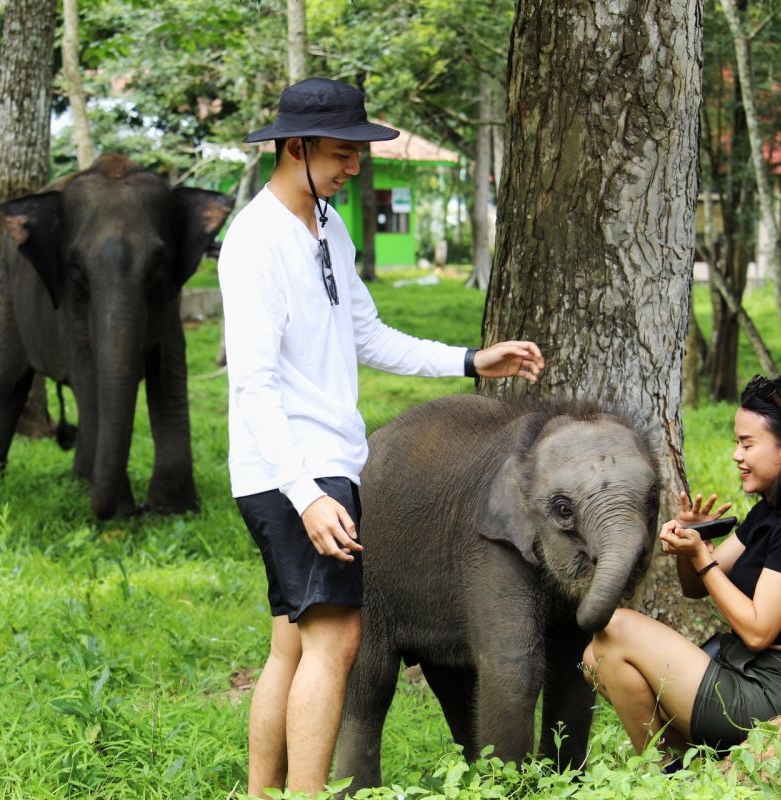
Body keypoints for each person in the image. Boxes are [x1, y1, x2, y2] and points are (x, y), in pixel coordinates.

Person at [217, 77, 545, 798]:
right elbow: (253, 385)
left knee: (290, 647)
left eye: (357, 154)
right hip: (296, 469)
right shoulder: (255, 243)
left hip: (319, 464)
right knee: (336, 645)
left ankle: (262, 793)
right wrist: (305, 495)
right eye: (341, 154)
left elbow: (367, 333)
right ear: (294, 149)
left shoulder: (327, 224)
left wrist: (469, 361)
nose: (354, 167)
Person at [581, 374, 781, 767]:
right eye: (737, 443)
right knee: (597, 656)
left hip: (774, 693)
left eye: (748, 444)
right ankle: (670, 772)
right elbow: (696, 589)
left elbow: (757, 631)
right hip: (738, 671)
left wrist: (704, 560)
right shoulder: (768, 514)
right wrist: (695, 546)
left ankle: (671, 768)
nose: (737, 455)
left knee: (616, 627)